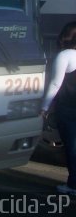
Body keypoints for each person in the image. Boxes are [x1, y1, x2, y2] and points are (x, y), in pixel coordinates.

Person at [42, 21, 76, 196]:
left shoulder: (66, 55)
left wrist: (44, 106)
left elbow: (56, 83)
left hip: (69, 108)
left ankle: (73, 185)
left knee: (72, 147)